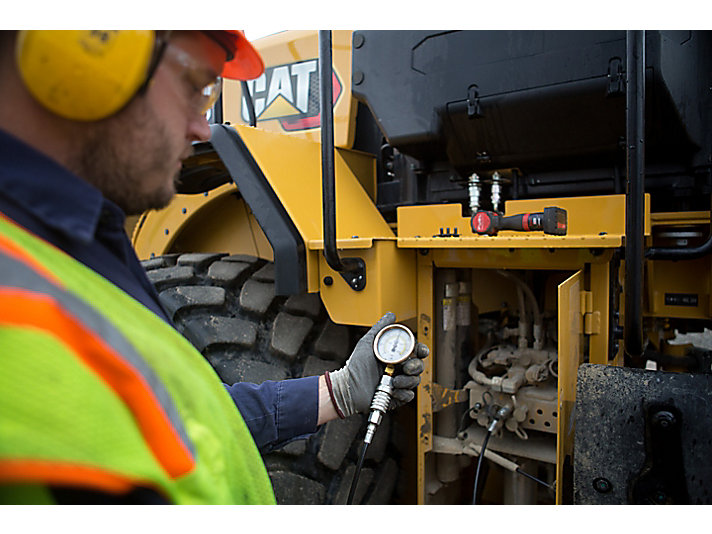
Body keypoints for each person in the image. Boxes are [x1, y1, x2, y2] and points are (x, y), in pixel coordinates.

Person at [0, 30, 427, 504]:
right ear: (89, 54)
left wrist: (339, 391)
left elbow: (187, 419)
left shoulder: (76, 246)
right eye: (196, 86)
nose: (204, 128)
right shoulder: (21, 293)